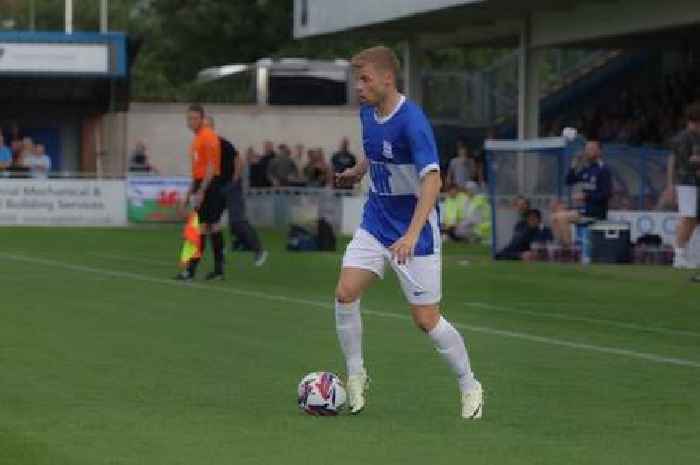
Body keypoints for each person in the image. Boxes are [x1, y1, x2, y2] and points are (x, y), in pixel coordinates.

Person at [333, 46, 483, 419]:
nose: (359, 86)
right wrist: (360, 170)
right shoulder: (367, 112)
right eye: (357, 79)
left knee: (426, 320)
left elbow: (432, 180)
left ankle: (469, 384)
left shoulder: (413, 121)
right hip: (375, 223)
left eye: (365, 78)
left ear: (388, 79)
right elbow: (378, 150)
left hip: (413, 232)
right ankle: (356, 375)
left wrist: (413, 234)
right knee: (345, 292)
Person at [204, 116, 268, 267]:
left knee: (237, 222)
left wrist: (234, 179)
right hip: (218, 187)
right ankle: (220, 255)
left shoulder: (222, 143)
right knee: (209, 222)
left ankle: (259, 250)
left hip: (231, 187)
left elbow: (238, 160)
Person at [176, 104, 226, 281]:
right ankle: (215, 270)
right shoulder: (197, 139)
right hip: (202, 183)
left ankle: (191, 271)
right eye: (189, 118)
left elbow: (212, 167)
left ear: (202, 119)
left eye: (195, 118)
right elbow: (197, 170)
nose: (191, 122)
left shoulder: (208, 137)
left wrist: (202, 190)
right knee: (208, 226)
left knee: (203, 227)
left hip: (210, 184)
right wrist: (190, 193)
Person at [551, 140, 612, 246]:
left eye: (591, 149)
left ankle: (570, 250)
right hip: (583, 210)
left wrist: (586, 196)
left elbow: (606, 194)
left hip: (596, 212)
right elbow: (569, 181)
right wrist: (573, 166)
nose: (587, 152)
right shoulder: (587, 169)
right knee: (554, 218)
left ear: (599, 152)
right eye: (587, 149)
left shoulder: (603, 170)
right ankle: (561, 247)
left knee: (561, 217)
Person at [669, 103, 700, 269]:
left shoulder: (695, 137)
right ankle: (679, 255)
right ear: (695, 122)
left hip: (694, 183)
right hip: (687, 182)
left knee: (693, 219)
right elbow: (684, 163)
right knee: (687, 218)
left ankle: (685, 253)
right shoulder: (683, 139)